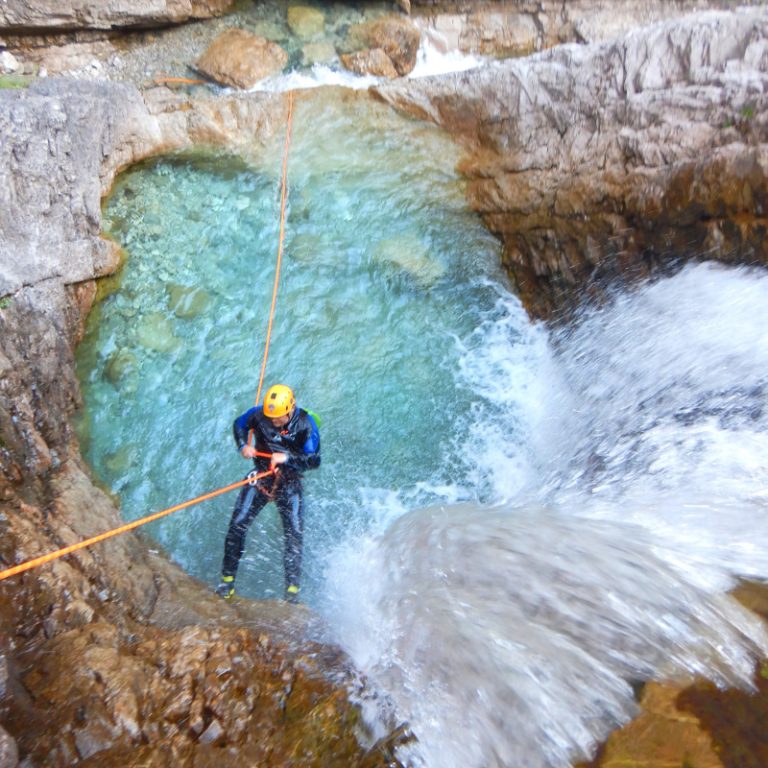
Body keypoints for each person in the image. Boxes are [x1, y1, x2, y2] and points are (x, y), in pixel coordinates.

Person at [215, 384, 320, 602]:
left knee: (294, 532)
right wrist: (243, 445)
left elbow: (314, 460)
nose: (273, 421)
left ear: (290, 409)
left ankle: (291, 593)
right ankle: (227, 582)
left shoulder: (305, 424)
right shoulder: (259, 414)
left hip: (289, 481)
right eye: (271, 417)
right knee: (237, 524)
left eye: (278, 418)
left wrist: (288, 459)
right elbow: (239, 424)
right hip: (262, 475)